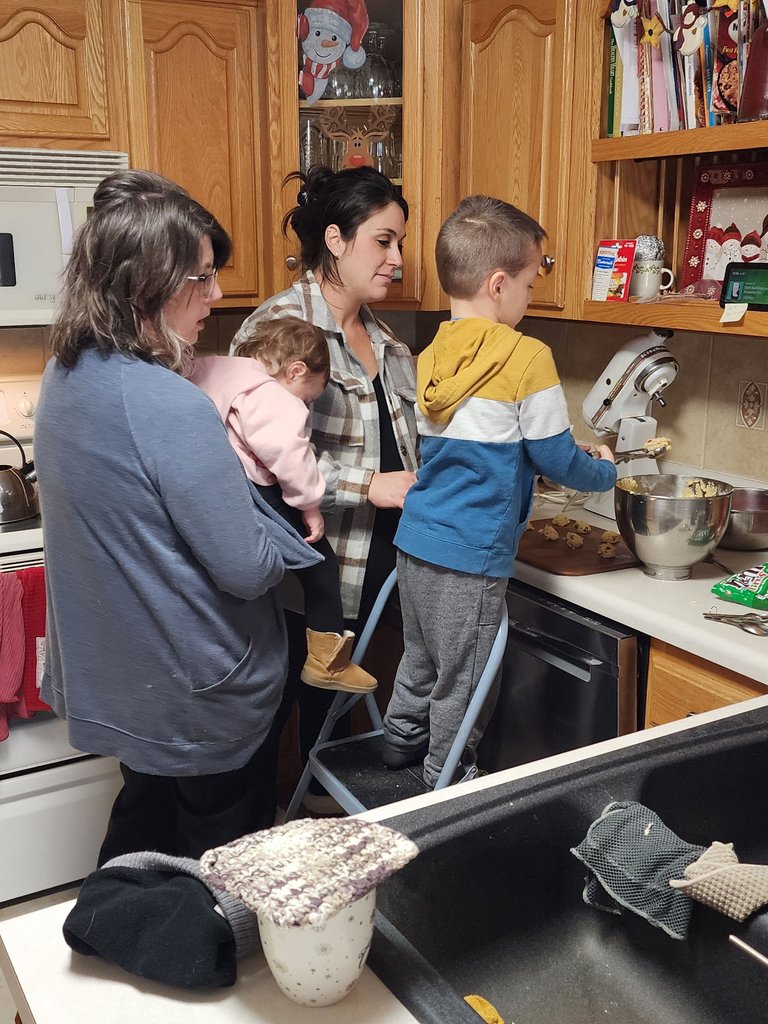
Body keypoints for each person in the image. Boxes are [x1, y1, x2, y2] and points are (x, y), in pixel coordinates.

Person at [34, 169, 320, 862]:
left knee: (145, 831)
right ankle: (208, 956)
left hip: (130, 683)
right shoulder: (169, 403)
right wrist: (283, 529)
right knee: (225, 871)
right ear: (143, 285)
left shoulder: (63, 376)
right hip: (201, 693)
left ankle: (117, 937)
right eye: (200, 278)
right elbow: (245, 568)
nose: (216, 295)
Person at [382, 194, 617, 788]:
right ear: (497, 284)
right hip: (471, 552)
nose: (531, 297)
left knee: (422, 656)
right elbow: (557, 459)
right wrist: (608, 471)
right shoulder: (527, 356)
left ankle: (400, 742)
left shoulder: (430, 355)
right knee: (467, 674)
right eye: (532, 283)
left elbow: (470, 451)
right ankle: (447, 779)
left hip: (416, 540)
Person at [233, 164, 419, 812]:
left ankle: (317, 862)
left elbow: (412, 441)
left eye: (400, 242)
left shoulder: (388, 342)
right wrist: (372, 486)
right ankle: (245, 863)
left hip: (374, 571)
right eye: (383, 240)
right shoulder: (278, 330)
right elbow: (252, 458)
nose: (397, 257)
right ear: (336, 240)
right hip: (297, 574)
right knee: (262, 726)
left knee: (330, 721)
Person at [191, 316, 376, 693]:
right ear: (295, 370)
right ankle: (328, 663)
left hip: (217, 488)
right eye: (309, 396)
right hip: (256, 489)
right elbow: (291, 456)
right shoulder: (273, 396)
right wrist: (309, 505)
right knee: (320, 565)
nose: (305, 405)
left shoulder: (217, 369)